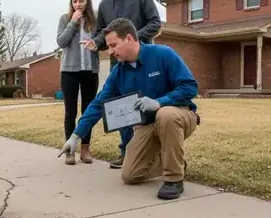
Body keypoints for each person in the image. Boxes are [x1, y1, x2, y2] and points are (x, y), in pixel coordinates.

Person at [61, 18, 199, 200]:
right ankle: (173, 160)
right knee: (130, 175)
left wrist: (160, 102)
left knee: (165, 115)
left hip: (179, 115)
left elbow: (190, 87)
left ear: (128, 38)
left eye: (113, 45)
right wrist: (76, 136)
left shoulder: (163, 54)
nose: (110, 51)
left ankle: (174, 179)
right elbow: (98, 104)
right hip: (148, 125)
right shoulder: (119, 72)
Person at [81, 0, 162, 170]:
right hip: (120, 64)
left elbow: (155, 23)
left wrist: (132, 39)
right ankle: (126, 151)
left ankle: (155, 151)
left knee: (146, 106)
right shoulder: (105, 5)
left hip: (143, 60)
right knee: (122, 106)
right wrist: (96, 42)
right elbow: (102, 32)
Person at [56, 0, 100, 165]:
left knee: (88, 111)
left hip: (90, 70)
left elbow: (101, 40)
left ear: (87, 1)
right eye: (74, 1)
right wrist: (73, 23)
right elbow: (61, 41)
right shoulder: (65, 18)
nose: (78, 4)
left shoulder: (95, 19)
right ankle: (70, 150)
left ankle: (85, 148)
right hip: (69, 71)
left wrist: (95, 45)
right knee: (70, 111)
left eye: (81, 1)